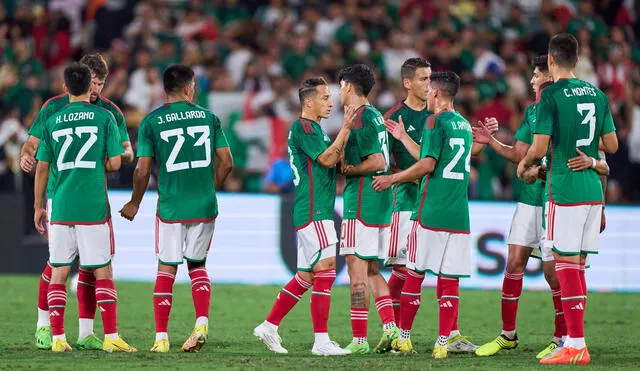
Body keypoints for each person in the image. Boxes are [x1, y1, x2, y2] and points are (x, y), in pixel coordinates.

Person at [20, 53, 134, 351]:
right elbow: (31, 145)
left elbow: (127, 150)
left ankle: (84, 333)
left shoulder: (111, 111)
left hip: (68, 195)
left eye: (102, 83)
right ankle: (44, 327)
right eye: (94, 82)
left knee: (82, 267)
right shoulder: (55, 106)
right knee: (66, 266)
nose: (97, 89)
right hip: (70, 195)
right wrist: (24, 154)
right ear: (84, 79)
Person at [517, 33, 618, 365]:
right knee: (577, 268)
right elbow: (612, 145)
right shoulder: (598, 95)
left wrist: (525, 164)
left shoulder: (551, 96)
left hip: (564, 189)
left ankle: (575, 344)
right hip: (592, 189)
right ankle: (575, 341)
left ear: (550, 60)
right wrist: (590, 157)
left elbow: (540, 147)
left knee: (565, 266)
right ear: (576, 60)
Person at [119, 65, 234, 353]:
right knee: (197, 266)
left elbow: (142, 169)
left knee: (166, 268)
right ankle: (202, 322)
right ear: (189, 87)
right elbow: (227, 162)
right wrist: (211, 188)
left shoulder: (151, 122)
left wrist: (135, 201)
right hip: (204, 204)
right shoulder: (208, 118)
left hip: (171, 206)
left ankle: (161, 338)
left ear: (164, 89)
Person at [372, 71, 484, 358]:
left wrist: (392, 179)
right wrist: (404, 137)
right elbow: (432, 156)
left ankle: (405, 338)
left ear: (436, 93)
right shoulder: (463, 125)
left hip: (431, 210)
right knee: (449, 280)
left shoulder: (434, 120)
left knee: (414, 273)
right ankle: (442, 344)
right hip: (459, 215)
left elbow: (427, 165)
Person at [253, 77, 354, 356]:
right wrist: (345, 129)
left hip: (311, 208)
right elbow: (325, 160)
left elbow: (329, 162)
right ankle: (321, 342)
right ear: (308, 101)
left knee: (307, 275)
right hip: (315, 209)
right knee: (327, 269)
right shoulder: (305, 127)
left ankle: (269, 325)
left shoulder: (316, 130)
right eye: (324, 97)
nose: (331, 102)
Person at [337, 64, 399, 354]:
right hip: (379, 203)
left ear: (348, 86)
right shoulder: (374, 115)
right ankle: (390, 329)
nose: (338, 93)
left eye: (339, 87)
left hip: (360, 202)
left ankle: (359, 340)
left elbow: (376, 162)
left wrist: (350, 169)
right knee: (373, 269)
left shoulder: (361, 117)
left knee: (356, 270)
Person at [381, 57, 431, 323]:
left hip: (431, 202)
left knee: (419, 269)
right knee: (403, 269)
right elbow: (380, 163)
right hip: (405, 202)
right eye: (423, 79)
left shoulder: (437, 115)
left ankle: (401, 331)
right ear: (407, 83)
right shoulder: (393, 118)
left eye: (430, 78)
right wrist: (401, 178)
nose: (428, 84)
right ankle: (392, 328)